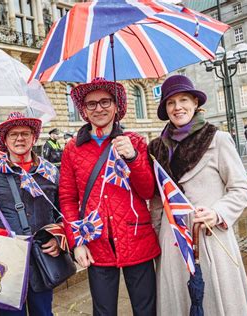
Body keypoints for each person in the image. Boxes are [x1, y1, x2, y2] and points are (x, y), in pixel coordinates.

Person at [148, 75, 247, 315]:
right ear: (165, 109)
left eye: (183, 99)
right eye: (170, 102)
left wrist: (217, 213)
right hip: (172, 239)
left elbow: (242, 188)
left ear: (195, 102)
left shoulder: (218, 139)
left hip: (209, 235)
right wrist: (158, 234)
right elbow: (156, 199)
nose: (178, 107)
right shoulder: (156, 148)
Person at [60, 77, 160, 316]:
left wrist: (133, 157)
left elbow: (147, 191)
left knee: (145, 309)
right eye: (91, 104)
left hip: (136, 236)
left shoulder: (134, 141)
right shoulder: (72, 149)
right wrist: (77, 242)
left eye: (105, 101)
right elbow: (67, 199)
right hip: (96, 242)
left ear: (117, 106)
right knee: (103, 311)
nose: (99, 108)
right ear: (83, 111)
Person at [0, 112, 60, 316]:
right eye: (13, 134)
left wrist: (58, 239)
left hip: (40, 257)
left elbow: (61, 211)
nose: (20, 138)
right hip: (5, 261)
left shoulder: (50, 172)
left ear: (34, 138)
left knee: (43, 313)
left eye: (25, 133)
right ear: (5, 141)